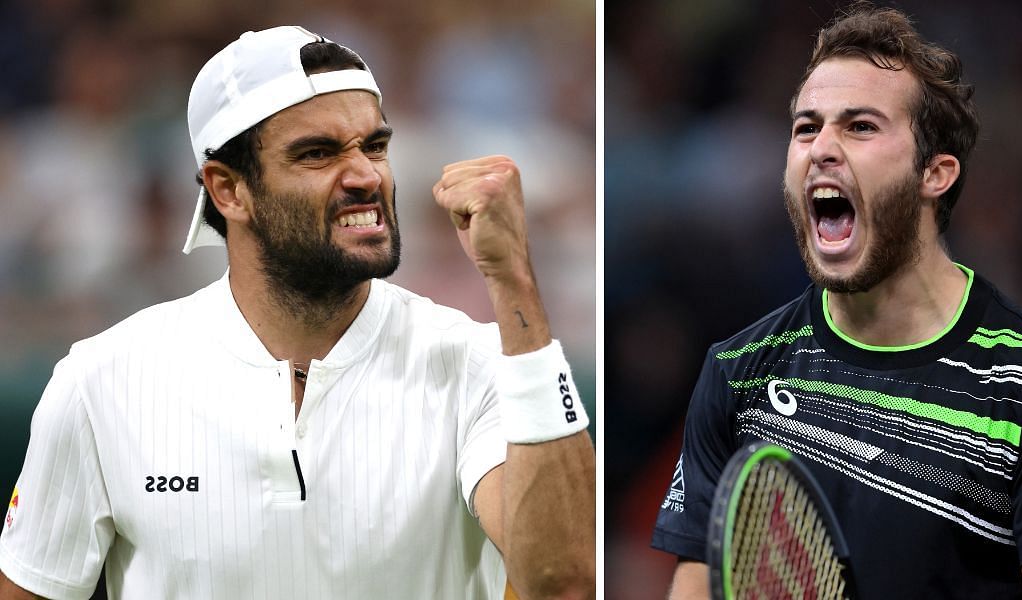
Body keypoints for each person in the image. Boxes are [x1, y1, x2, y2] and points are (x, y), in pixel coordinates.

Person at [0, 26, 594, 599]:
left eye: (375, 146)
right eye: (318, 153)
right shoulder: (100, 379)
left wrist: (512, 282)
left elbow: (562, 582)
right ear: (227, 190)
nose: (366, 175)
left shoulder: (476, 362)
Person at [650, 4, 1022, 598]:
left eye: (860, 126)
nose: (822, 147)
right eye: (805, 127)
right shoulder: (737, 373)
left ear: (935, 172)